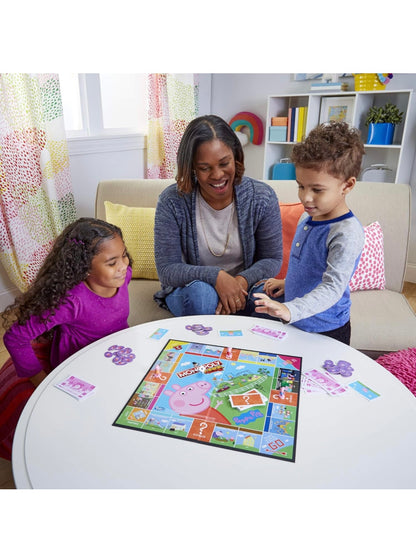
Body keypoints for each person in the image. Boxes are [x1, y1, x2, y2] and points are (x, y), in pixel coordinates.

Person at [0, 217, 132, 460]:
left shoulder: (124, 277)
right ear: (84, 268)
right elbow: (16, 337)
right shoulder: (71, 301)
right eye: (112, 262)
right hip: (81, 366)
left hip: (116, 355)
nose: (123, 266)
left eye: (123, 256)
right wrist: (42, 381)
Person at [153, 114, 283, 317]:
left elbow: (271, 259)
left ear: (236, 156)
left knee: (272, 297)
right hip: (195, 289)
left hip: (244, 288)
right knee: (202, 295)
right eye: (205, 168)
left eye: (224, 163)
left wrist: (240, 282)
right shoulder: (172, 201)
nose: (217, 175)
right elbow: (167, 270)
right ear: (192, 167)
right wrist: (217, 277)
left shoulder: (261, 197)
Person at [254, 121, 365, 345]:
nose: (305, 197)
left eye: (317, 189)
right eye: (301, 186)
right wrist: (287, 282)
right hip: (297, 322)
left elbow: (332, 287)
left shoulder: (346, 233)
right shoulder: (308, 218)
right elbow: (309, 268)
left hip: (327, 329)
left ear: (347, 185)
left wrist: (290, 309)